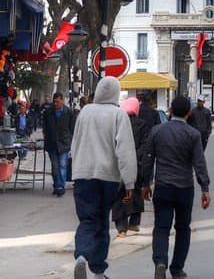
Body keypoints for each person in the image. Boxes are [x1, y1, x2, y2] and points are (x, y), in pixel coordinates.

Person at [71, 77, 138, 279]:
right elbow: (125, 151)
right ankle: (99, 271)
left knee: (87, 220)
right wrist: (129, 183)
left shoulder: (85, 112)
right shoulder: (118, 115)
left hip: (83, 175)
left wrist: (76, 169)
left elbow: (75, 143)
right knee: (101, 221)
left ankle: (82, 257)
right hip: (108, 177)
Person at [142, 96, 211, 279]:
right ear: (189, 113)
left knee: (161, 228)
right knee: (183, 228)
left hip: (163, 187)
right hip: (184, 188)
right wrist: (205, 188)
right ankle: (177, 268)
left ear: (170, 111)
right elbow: (199, 163)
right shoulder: (193, 135)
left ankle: (160, 262)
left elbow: (148, 159)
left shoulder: (157, 131)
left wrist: (145, 184)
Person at [111, 98, 148, 238]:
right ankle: (134, 222)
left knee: (119, 195)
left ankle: (121, 228)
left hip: (119, 164)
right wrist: (136, 158)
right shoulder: (143, 125)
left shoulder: (118, 123)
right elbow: (145, 145)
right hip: (137, 165)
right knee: (136, 192)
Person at [42, 92, 75, 197]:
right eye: (54, 101)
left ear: (62, 100)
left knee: (62, 165)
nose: (55, 103)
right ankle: (56, 185)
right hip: (52, 143)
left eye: (57, 101)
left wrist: (70, 140)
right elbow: (45, 127)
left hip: (64, 143)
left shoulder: (68, 112)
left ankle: (61, 186)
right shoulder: (48, 112)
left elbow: (71, 128)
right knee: (55, 167)